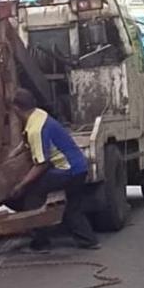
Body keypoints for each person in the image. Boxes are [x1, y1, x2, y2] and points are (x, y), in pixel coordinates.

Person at [10, 88, 98, 251]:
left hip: (68, 170)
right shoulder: (39, 115)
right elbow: (28, 139)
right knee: (73, 208)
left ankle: (40, 242)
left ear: (16, 108)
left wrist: (21, 185)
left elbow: (42, 164)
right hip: (79, 167)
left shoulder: (37, 129)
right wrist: (15, 153)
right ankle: (88, 240)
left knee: (32, 193)